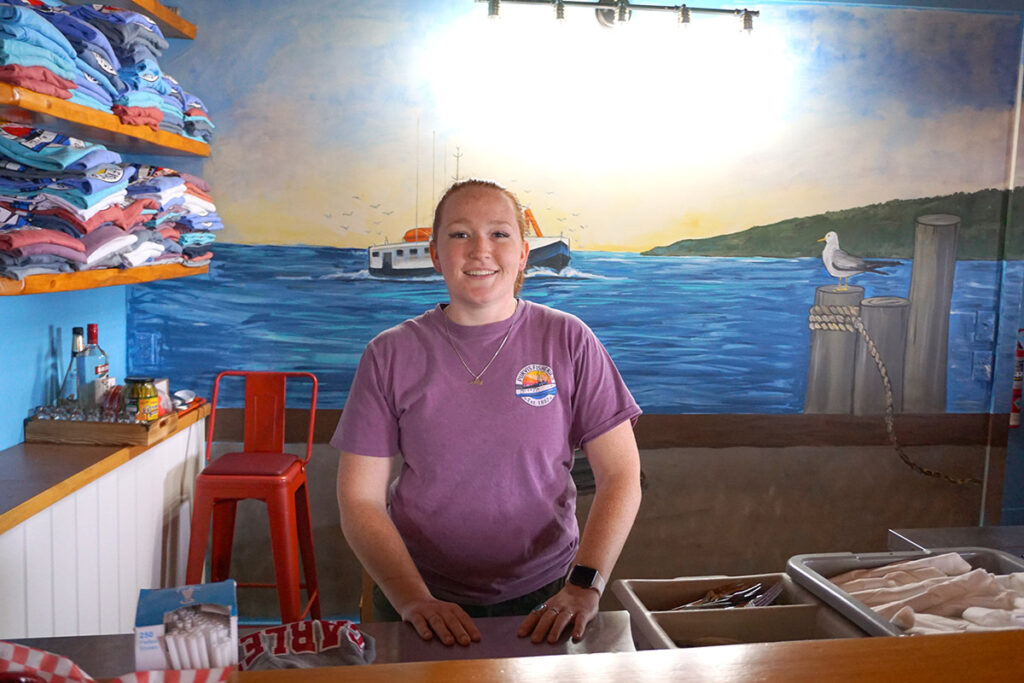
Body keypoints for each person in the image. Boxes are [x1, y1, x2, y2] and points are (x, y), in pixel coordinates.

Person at [333, 178, 642, 647]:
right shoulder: (389, 354)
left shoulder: (569, 339)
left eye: (500, 234)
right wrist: (411, 598)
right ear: (436, 254)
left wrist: (585, 584)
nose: (480, 250)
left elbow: (621, 475)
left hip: (549, 595)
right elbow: (360, 499)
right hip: (416, 596)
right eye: (460, 234)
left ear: (523, 254)